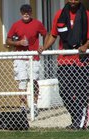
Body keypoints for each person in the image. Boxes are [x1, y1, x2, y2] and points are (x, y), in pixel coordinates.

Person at [38, 0, 89, 130]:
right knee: (64, 92)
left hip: (81, 62)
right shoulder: (59, 14)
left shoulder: (86, 15)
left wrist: (85, 46)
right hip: (64, 61)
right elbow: (53, 34)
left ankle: (79, 122)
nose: (72, 1)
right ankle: (77, 119)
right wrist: (44, 47)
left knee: (81, 93)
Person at [6, 4, 47, 115]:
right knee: (22, 82)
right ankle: (23, 106)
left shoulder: (37, 23)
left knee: (34, 81)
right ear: (21, 13)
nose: (26, 14)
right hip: (20, 56)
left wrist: (43, 46)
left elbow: (46, 34)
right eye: (24, 12)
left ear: (31, 12)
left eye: (28, 11)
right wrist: (18, 43)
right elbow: (8, 40)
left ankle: (34, 105)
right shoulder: (16, 25)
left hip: (34, 56)